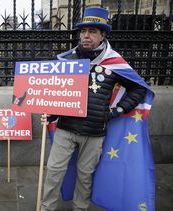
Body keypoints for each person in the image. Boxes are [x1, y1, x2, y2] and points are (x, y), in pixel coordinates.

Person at [40, 7, 148, 211]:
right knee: (54, 170)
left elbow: (138, 89)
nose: (86, 36)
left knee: (85, 174)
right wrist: (51, 112)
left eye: (92, 31)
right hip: (66, 127)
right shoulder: (67, 61)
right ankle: (47, 207)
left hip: (95, 132)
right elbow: (56, 93)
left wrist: (117, 110)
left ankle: (80, 208)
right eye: (83, 31)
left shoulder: (114, 62)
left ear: (102, 35)